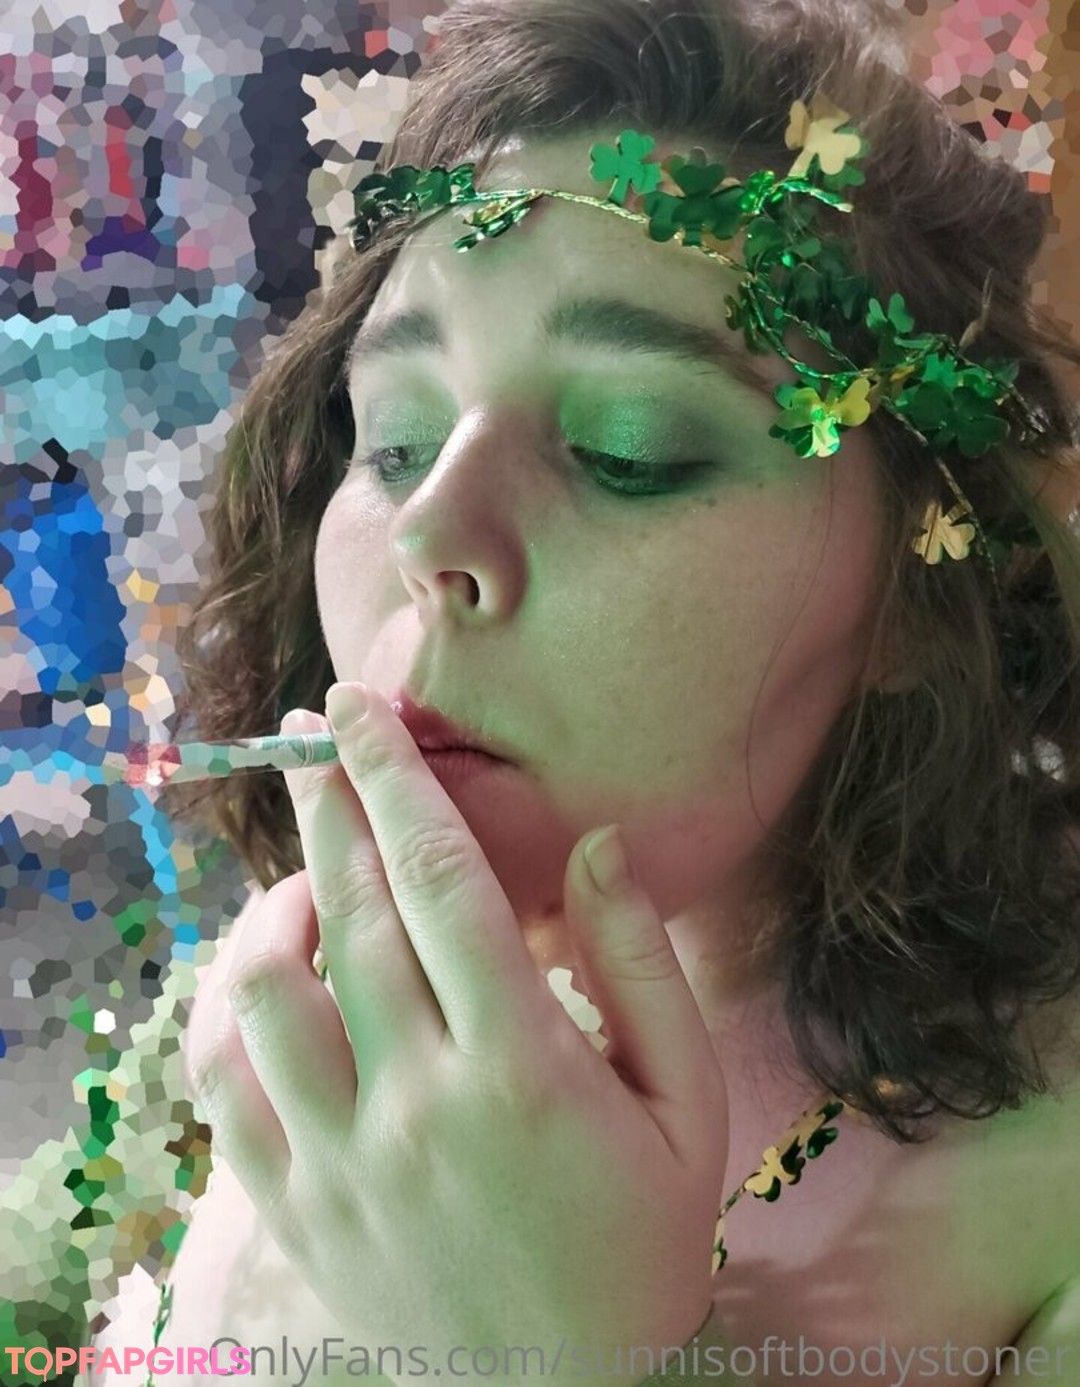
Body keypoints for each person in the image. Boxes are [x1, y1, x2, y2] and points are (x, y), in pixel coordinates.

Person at [87, 0, 1080, 1383]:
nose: (430, 534)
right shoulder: (281, 974)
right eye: (397, 440)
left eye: (631, 448)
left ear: (917, 598)